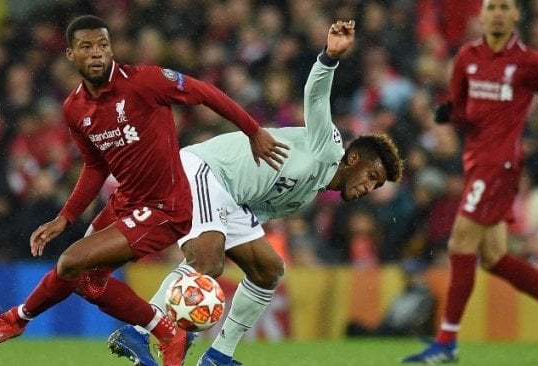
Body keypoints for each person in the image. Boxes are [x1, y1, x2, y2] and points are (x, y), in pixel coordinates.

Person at [0, 15, 288, 366]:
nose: (97, 53)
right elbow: (94, 165)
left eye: (103, 45)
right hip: (127, 200)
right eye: (87, 47)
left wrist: (253, 131)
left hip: (166, 207)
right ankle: (166, 331)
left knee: (71, 261)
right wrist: (66, 216)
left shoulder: (145, 81)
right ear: (71, 55)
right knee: (87, 282)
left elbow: (204, 92)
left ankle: (17, 319)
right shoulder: (75, 108)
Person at [107, 20, 404, 366]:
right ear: (353, 159)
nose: (369, 187)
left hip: (230, 195)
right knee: (208, 261)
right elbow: (316, 97)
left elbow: (251, 211)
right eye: (371, 176)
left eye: (377, 185)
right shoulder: (330, 147)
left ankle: (219, 354)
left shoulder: (306, 195)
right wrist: (328, 59)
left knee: (267, 269)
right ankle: (140, 332)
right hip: (205, 169)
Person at [402, 1, 538, 363]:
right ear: (483, 14)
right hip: (474, 163)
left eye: (506, 7)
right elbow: (460, 107)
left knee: (460, 242)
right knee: (493, 257)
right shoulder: (466, 57)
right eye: (493, 7)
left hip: (502, 166)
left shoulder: (530, 62)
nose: (499, 14)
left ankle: (447, 342)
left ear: (516, 15)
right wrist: (448, 113)